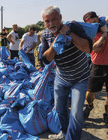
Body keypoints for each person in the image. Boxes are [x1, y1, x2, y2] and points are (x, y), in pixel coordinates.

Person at [40, 6, 92, 140]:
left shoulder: (73, 26)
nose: (51, 24)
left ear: (60, 18)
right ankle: (64, 133)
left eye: (54, 19)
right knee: (59, 109)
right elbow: (46, 60)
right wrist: (57, 41)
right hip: (62, 77)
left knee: (76, 114)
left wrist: (69, 34)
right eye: (47, 21)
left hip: (80, 77)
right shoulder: (45, 35)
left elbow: (87, 48)